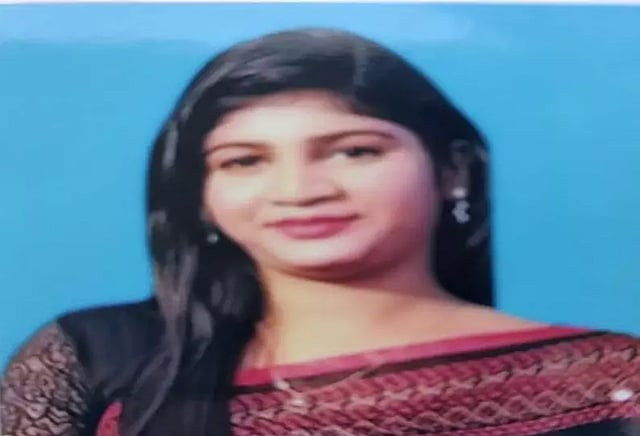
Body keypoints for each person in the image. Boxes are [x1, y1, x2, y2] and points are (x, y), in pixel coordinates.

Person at [1, 28, 639, 436]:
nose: (300, 190)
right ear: (199, 196)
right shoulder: (94, 357)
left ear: (454, 171)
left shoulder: (610, 377)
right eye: (244, 161)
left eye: (354, 151)